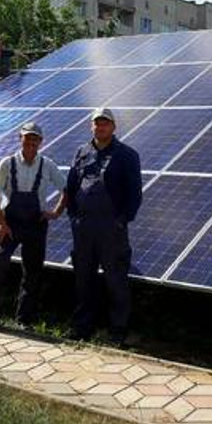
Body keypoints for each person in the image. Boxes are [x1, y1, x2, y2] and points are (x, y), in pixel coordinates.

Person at [0, 121, 67, 332]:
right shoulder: (7, 164)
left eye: (35, 138)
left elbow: (66, 189)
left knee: (32, 272)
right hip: (10, 224)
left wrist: (56, 212)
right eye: (28, 137)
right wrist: (1, 223)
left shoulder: (48, 165)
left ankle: (24, 320)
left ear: (41, 142)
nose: (31, 142)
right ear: (21, 139)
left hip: (36, 224)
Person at [66, 108, 142, 346]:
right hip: (84, 228)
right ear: (92, 126)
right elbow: (71, 186)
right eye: (97, 124)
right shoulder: (82, 152)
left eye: (105, 123)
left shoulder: (127, 154)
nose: (101, 127)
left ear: (113, 127)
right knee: (83, 279)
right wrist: (73, 218)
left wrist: (121, 222)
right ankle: (82, 326)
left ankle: (117, 329)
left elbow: (135, 194)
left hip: (112, 229)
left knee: (115, 279)